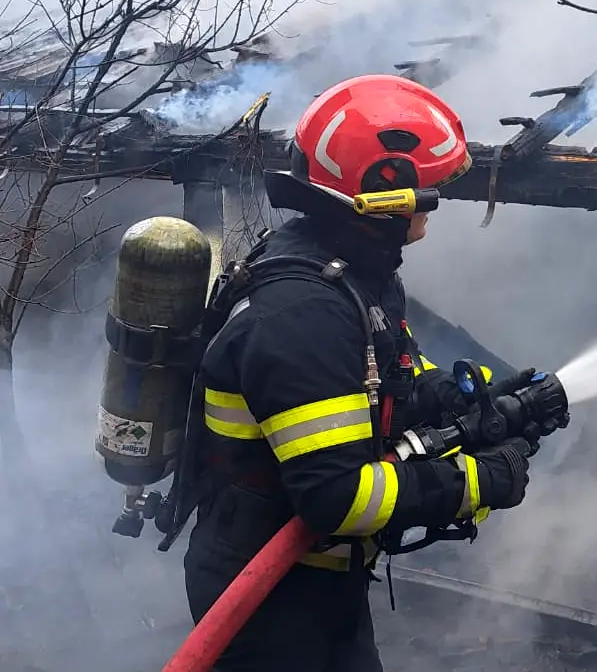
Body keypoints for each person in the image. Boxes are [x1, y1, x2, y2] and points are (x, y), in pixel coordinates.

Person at [183, 74, 540, 672]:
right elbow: (338, 498)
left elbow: (381, 370)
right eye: (428, 185)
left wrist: (454, 395)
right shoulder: (303, 318)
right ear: (384, 193)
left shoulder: (348, 272)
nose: (437, 199)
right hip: (268, 600)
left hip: (314, 583)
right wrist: (478, 484)